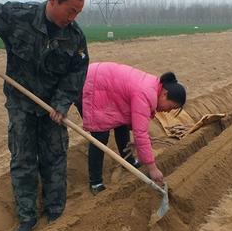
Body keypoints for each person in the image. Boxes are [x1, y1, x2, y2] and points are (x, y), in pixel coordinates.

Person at [0, 0, 89, 231]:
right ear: (53, 0)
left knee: (55, 158)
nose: (73, 17)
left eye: (78, 13)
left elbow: (76, 75)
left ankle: (55, 213)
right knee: (23, 161)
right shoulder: (18, 16)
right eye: (70, 10)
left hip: (52, 109)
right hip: (21, 104)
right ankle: (27, 217)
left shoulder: (75, 37)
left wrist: (60, 104)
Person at [77, 62, 186, 194]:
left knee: (121, 123)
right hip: (90, 84)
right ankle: (96, 182)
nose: (168, 111)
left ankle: (128, 161)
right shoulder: (146, 94)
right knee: (100, 135)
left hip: (104, 84)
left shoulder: (153, 86)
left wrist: (140, 146)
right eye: (171, 107)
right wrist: (152, 168)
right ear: (164, 94)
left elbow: (132, 121)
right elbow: (140, 133)